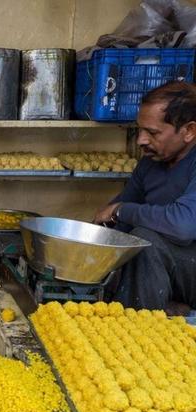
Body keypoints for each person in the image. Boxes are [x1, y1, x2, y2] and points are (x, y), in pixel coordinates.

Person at [93, 81, 196, 312]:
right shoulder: (151, 163)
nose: (141, 140)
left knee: (145, 241)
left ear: (189, 131)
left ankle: (140, 325)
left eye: (153, 132)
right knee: (126, 241)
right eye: (139, 130)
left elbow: (183, 226)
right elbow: (114, 222)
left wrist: (121, 210)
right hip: (174, 268)